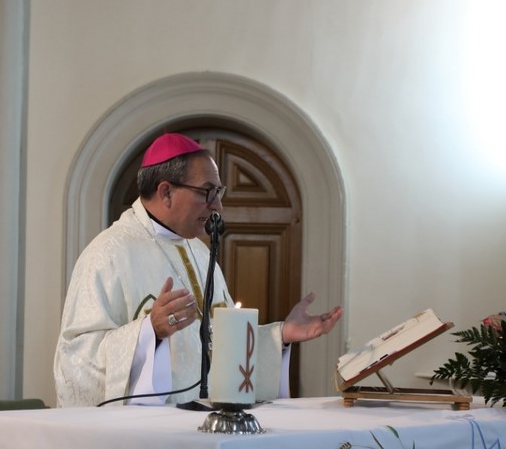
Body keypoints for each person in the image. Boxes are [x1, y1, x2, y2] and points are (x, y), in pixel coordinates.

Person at [54, 132, 342, 407]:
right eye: (207, 192)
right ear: (166, 192)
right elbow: (76, 359)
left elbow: (216, 343)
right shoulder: (108, 254)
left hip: (206, 424)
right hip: (147, 432)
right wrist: (148, 332)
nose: (217, 206)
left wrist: (280, 335)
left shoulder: (200, 252)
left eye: (219, 192)